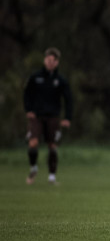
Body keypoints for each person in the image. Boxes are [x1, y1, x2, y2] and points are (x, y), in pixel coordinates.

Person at [23, 48, 73, 185]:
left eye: (53, 61)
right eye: (48, 60)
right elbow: (27, 94)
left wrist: (67, 117)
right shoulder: (35, 77)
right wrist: (28, 109)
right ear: (44, 60)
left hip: (53, 117)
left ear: (57, 62)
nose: (50, 63)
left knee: (52, 146)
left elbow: (68, 99)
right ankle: (33, 167)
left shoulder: (60, 80)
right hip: (37, 116)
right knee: (33, 143)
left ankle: (52, 177)